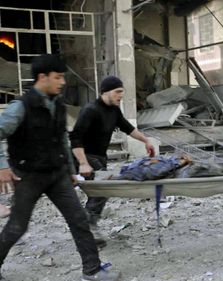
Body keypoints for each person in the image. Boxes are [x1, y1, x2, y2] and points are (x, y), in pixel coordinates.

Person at [0, 54, 119, 280]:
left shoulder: (59, 106)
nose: (62, 82)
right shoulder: (21, 107)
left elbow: (63, 139)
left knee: (79, 219)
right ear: (42, 78)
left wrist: (71, 171)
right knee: (17, 227)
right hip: (29, 177)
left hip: (57, 175)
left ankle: (92, 270)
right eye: (58, 77)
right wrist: (2, 166)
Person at [70, 75, 155, 246]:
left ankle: (86, 227)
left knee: (100, 191)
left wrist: (146, 140)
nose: (120, 96)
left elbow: (127, 128)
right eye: (117, 92)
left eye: (122, 92)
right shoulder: (90, 110)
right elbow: (75, 138)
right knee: (102, 189)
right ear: (105, 92)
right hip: (86, 157)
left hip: (100, 157)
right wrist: (83, 163)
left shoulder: (114, 110)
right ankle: (88, 228)